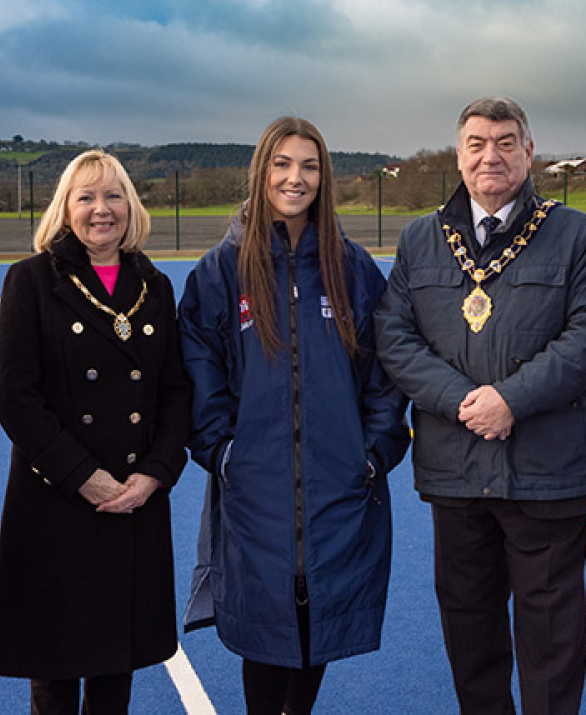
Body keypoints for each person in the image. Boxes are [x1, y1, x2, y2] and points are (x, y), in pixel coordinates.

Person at [373, 96, 586, 714]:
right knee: (470, 632)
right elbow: (394, 338)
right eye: (478, 143)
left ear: (529, 152)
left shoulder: (574, 233)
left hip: (545, 473)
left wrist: (511, 400)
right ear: (458, 156)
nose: (492, 155)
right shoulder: (420, 239)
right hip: (455, 473)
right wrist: (462, 400)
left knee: (553, 643)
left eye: (507, 142)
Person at [179, 116, 410, 715]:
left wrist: (372, 454)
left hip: (339, 485)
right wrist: (226, 454)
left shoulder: (352, 268)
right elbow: (200, 379)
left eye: (309, 166)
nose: (295, 177)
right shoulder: (220, 272)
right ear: (261, 172)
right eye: (282, 164)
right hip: (256, 489)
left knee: (318, 623)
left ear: (323, 177)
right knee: (266, 630)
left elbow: (385, 375)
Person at [0, 150, 191, 713]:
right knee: (55, 669)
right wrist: (84, 477)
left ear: (131, 205)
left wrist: (155, 473)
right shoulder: (31, 280)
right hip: (56, 498)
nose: (102, 209)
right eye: (86, 197)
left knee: (114, 661)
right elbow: (13, 396)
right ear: (65, 209)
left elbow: (175, 391)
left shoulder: (154, 285)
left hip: (133, 499)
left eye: (113, 195)